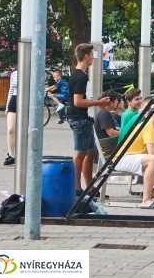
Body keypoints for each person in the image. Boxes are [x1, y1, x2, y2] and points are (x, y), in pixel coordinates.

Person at [67, 43, 110, 196]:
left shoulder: (78, 74)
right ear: (86, 56)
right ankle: (76, 188)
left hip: (84, 118)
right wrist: (99, 102)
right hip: (79, 118)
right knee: (80, 153)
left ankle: (89, 187)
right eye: (92, 55)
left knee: (91, 151)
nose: (93, 57)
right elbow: (78, 101)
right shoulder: (81, 77)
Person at [114, 103, 154, 210]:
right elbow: (152, 152)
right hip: (122, 158)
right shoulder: (149, 126)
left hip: (132, 156)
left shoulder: (152, 124)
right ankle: (146, 200)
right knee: (153, 160)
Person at [4, 69, 17, 166]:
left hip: (27, 100)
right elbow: (11, 89)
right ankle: (11, 155)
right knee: (10, 129)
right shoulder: (14, 73)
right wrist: (7, 106)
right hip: (14, 100)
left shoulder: (34, 71)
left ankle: (25, 154)